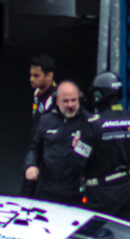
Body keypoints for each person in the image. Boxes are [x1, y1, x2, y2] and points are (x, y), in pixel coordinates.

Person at [82, 71, 130, 219]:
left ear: (97, 96)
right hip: (125, 189)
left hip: (98, 193)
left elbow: (78, 162)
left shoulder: (92, 124)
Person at [24, 81, 96, 206]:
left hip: (75, 193)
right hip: (47, 190)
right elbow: (34, 148)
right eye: (66, 101)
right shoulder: (46, 120)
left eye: (74, 100)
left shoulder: (89, 123)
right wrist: (31, 165)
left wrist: (79, 147)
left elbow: (96, 155)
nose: (70, 105)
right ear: (57, 101)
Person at [20, 54, 58, 197]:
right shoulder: (37, 93)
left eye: (36, 76)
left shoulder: (58, 100)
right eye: (30, 75)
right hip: (35, 152)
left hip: (49, 160)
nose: (31, 79)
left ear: (49, 76)